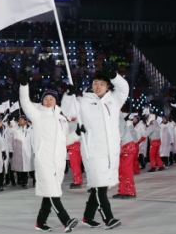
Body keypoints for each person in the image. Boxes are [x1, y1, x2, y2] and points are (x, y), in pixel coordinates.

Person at [61, 65, 128, 230]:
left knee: (102, 186)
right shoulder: (83, 101)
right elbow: (67, 111)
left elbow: (124, 88)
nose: (97, 86)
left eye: (102, 84)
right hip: (93, 151)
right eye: (95, 83)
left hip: (110, 152)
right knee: (99, 187)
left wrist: (114, 75)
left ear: (108, 86)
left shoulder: (113, 100)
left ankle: (88, 217)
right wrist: (69, 95)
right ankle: (108, 218)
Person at [20, 74, 80, 233]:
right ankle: (66, 221)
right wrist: (24, 85)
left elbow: (65, 140)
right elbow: (25, 103)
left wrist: (77, 134)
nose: (48, 101)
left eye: (51, 99)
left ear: (56, 101)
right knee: (53, 192)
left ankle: (40, 223)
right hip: (44, 160)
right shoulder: (37, 115)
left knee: (49, 193)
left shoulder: (62, 119)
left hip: (58, 162)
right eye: (45, 99)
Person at [8, 114, 35, 190]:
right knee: (23, 169)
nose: (20, 121)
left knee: (31, 169)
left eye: (22, 120)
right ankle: (24, 183)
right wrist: (11, 150)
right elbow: (12, 140)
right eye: (19, 120)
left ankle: (35, 181)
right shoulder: (17, 130)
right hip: (19, 152)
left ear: (26, 121)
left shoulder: (31, 130)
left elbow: (33, 142)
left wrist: (35, 152)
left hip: (29, 152)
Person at [114, 114, 138, 199]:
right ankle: (122, 190)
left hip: (127, 145)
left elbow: (121, 130)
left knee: (126, 169)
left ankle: (130, 191)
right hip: (120, 147)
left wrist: (118, 141)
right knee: (120, 170)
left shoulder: (117, 116)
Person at [66, 117, 83, 188]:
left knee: (75, 165)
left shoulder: (66, 122)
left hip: (74, 145)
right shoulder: (81, 119)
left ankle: (78, 181)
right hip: (82, 145)